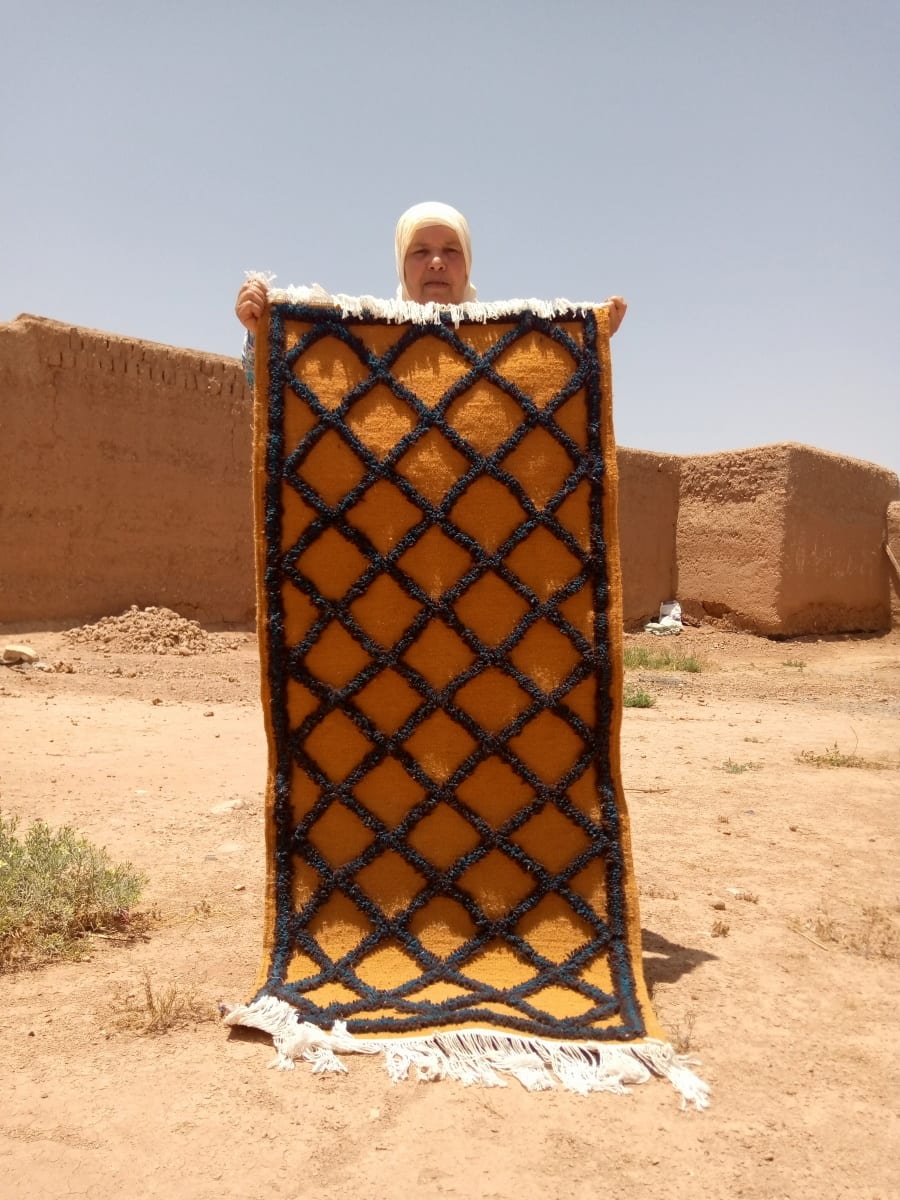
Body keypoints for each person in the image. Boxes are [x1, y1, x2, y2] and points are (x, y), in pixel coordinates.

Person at [234, 201, 626, 384]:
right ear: (402, 266)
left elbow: (552, 404)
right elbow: (283, 395)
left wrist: (587, 344)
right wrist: (260, 334)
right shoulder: (361, 342)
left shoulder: (507, 349)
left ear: (468, 264)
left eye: (451, 251)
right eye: (420, 252)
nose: (436, 262)